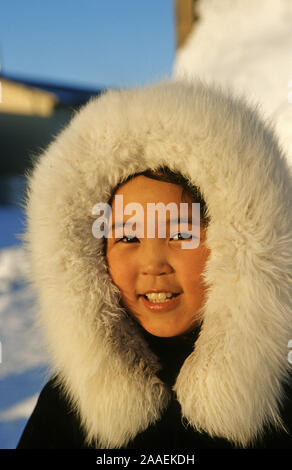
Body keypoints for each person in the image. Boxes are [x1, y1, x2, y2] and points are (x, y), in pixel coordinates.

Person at [17, 80, 292, 449]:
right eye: (128, 238)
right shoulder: (68, 410)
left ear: (235, 246)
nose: (153, 263)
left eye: (179, 234)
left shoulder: (276, 406)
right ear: (92, 255)